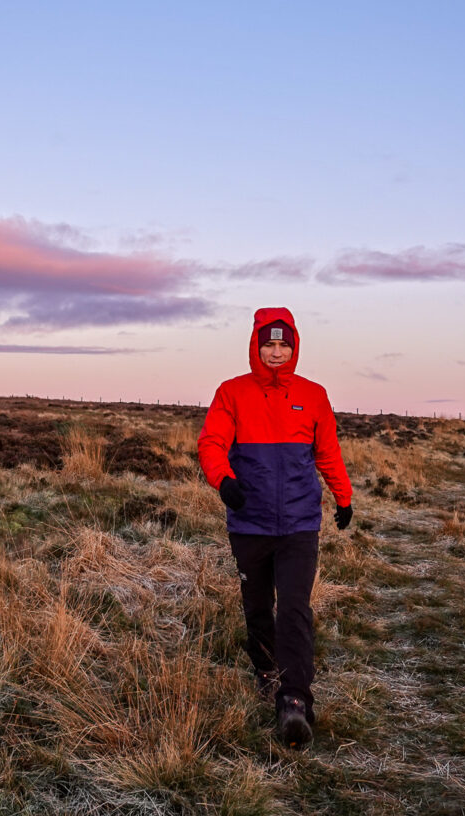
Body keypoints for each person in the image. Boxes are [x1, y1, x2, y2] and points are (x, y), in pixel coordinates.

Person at [197, 307, 353, 748]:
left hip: (300, 523)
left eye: (284, 344)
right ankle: (266, 669)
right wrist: (223, 480)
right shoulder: (232, 393)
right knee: (258, 604)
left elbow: (327, 452)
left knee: (296, 607)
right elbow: (211, 442)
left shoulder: (314, 395)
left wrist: (343, 497)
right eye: (269, 343)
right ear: (256, 346)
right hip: (250, 522)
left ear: (295, 346)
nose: (277, 351)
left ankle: (295, 700)